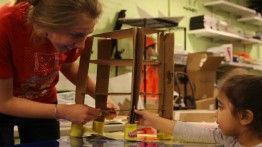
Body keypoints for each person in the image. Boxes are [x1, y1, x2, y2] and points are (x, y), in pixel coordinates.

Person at [0, 0, 119, 146]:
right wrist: (62, 111)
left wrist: (100, 96)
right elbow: (4, 102)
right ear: (47, 24)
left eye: (86, 35)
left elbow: (68, 67)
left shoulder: (71, 32)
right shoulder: (5, 26)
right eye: (76, 35)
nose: (81, 45)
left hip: (43, 102)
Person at [135, 74, 262, 146]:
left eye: (221, 107)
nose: (216, 112)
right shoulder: (229, 138)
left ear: (245, 117)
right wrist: (151, 120)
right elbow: (191, 131)